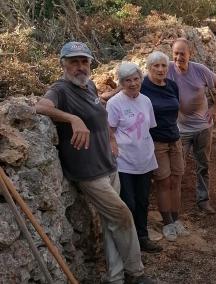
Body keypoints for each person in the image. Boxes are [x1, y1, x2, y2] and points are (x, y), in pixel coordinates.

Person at [35, 42, 154, 284]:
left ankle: (116, 276)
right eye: (74, 61)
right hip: (89, 172)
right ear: (63, 63)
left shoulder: (88, 85)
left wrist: (111, 139)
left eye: (84, 61)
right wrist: (72, 118)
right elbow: (40, 107)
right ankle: (136, 272)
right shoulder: (60, 89)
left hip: (108, 163)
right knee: (122, 215)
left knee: (111, 225)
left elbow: (99, 114)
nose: (80, 66)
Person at [106, 62, 162, 253]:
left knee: (143, 200)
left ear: (141, 79)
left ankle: (143, 237)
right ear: (121, 83)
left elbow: (148, 128)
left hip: (144, 160)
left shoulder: (146, 101)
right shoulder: (114, 104)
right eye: (127, 80)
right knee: (128, 203)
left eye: (136, 79)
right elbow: (109, 132)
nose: (133, 83)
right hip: (124, 162)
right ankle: (130, 245)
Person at [168, 38, 216, 214]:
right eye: (175, 53)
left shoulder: (199, 70)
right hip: (180, 128)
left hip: (202, 127)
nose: (178, 57)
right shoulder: (167, 68)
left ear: (189, 53)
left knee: (203, 164)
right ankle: (173, 204)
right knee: (176, 166)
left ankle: (203, 200)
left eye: (182, 54)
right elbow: (144, 80)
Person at [141, 51, 189, 241]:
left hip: (174, 138)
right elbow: (124, 93)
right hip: (156, 141)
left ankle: (176, 219)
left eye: (163, 66)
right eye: (156, 66)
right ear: (149, 68)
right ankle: (167, 222)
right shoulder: (142, 86)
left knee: (177, 179)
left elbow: (175, 109)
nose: (160, 69)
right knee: (164, 181)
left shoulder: (172, 85)